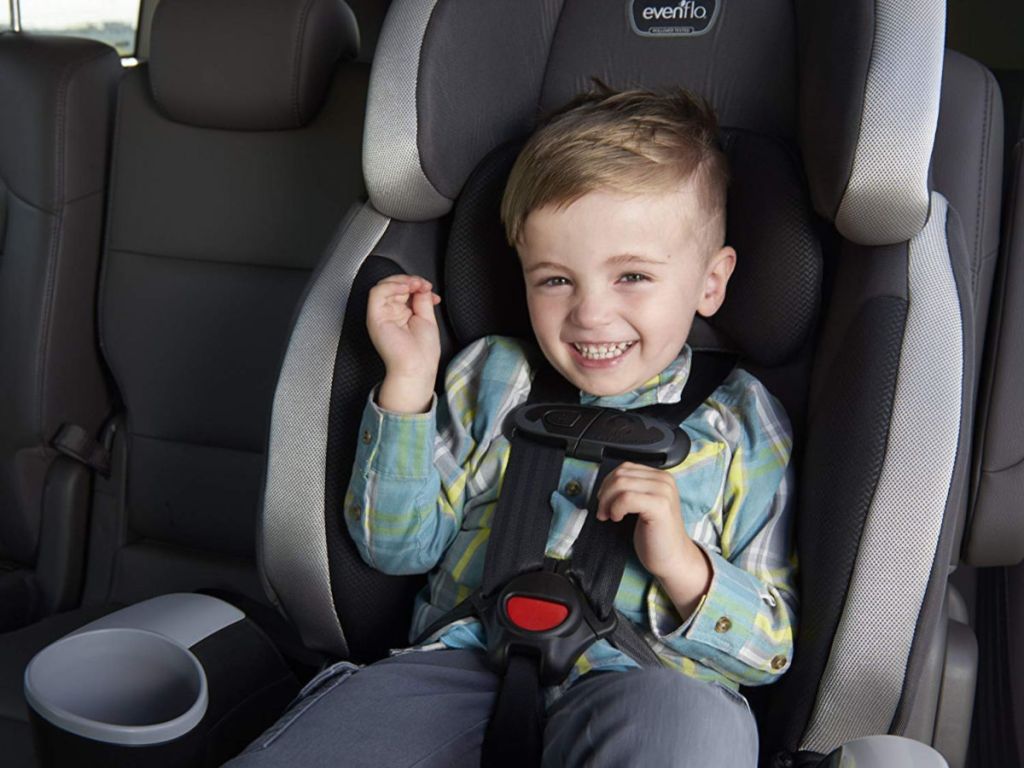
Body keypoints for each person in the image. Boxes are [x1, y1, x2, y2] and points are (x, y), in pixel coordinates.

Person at [230, 86, 796, 768]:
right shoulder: (494, 375)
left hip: (651, 684)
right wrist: (408, 385)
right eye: (555, 280)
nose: (590, 314)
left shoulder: (740, 420)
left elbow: (769, 649)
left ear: (711, 282)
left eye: (633, 277)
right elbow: (394, 550)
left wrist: (681, 562)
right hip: (465, 664)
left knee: (683, 732)